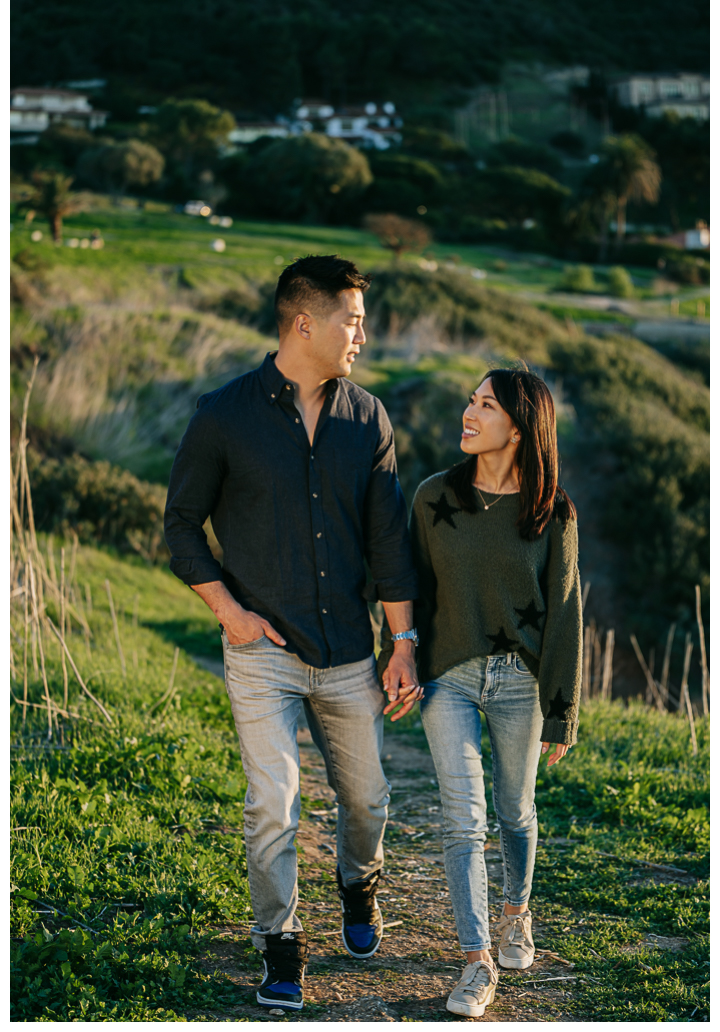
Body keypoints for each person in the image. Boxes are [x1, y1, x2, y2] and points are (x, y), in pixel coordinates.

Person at [164, 255, 422, 1012]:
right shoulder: (223, 414)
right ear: (304, 322)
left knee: (368, 800)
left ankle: (358, 885)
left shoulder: (368, 418)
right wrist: (231, 614)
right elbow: (181, 524)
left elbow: (388, 541)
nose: (362, 338)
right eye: (352, 321)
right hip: (260, 651)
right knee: (272, 802)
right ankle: (280, 945)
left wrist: (402, 643)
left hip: (349, 650)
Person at [405, 367, 581, 1018]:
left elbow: (565, 615)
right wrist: (399, 658)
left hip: (521, 683)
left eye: (486, 404)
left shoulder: (553, 510)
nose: (468, 412)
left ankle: (516, 914)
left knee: (516, 810)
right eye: (470, 400)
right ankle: (477, 961)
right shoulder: (431, 498)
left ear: (520, 425)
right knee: (463, 818)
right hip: (448, 675)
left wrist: (562, 711)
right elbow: (409, 587)